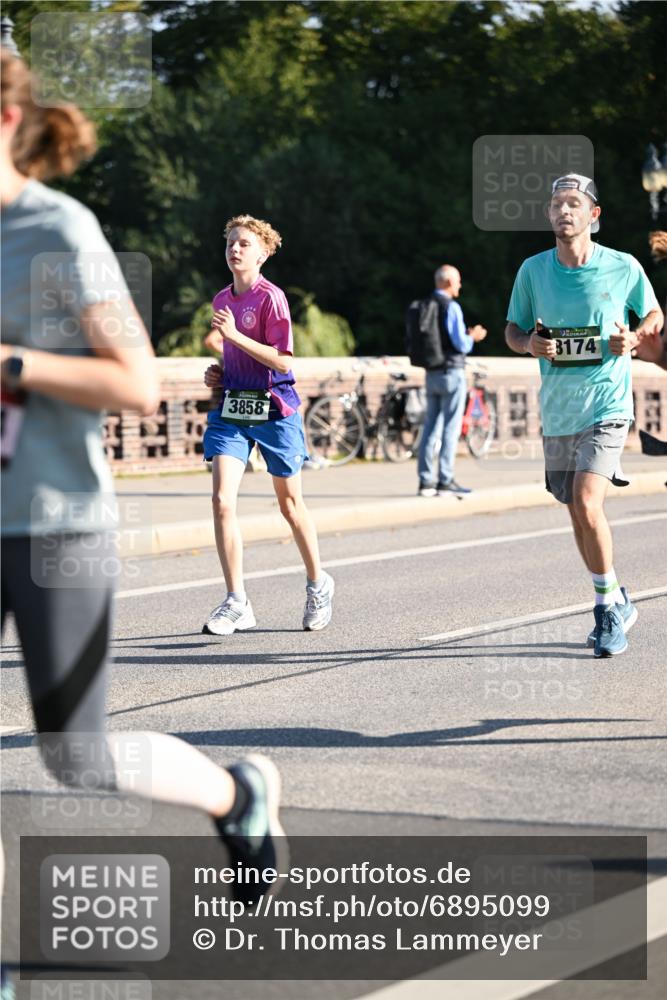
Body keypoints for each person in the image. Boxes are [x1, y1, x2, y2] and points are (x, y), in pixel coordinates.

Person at [0, 53, 286, 995]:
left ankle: (234, 793)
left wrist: (13, 369)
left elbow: (132, 382)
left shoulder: (55, 230)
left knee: (74, 754)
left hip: (52, 523)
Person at [504, 174, 663, 657]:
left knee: (586, 498)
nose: (563, 211)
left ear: (594, 215)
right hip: (558, 410)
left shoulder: (624, 266)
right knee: (575, 508)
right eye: (556, 204)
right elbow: (512, 330)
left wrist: (634, 338)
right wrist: (529, 343)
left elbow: (654, 315)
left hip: (608, 405)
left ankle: (606, 610)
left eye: (574, 203)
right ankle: (615, 594)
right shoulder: (533, 270)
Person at [200, 215, 334, 635]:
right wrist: (219, 372)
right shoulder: (222, 299)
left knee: (290, 506)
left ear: (263, 252)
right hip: (234, 408)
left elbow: (282, 360)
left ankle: (318, 584)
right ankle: (236, 600)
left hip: (275, 409)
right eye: (230, 244)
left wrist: (236, 338)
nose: (235, 249)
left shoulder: (272, 298)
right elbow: (234, 355)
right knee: (222, 500)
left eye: (244, 244)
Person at [416, 265, 487, 497]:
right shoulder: (451, 307)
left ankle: (425, 481)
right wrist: (473, 336)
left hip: (431, 372)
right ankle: (445, 480)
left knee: (430, 426)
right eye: (457, 281)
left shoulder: (425, 305)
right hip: (452, 373)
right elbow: (461, 344)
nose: (460, 285)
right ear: (448, 282)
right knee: (451, 427)